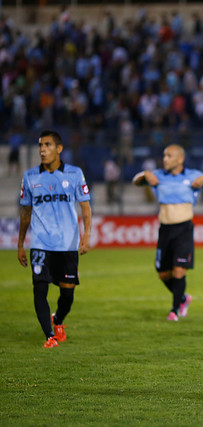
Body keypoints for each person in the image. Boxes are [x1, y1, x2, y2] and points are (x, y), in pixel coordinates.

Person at [132, 144, 203, 321]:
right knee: (163, 274)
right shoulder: (158, 175)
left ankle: (174, 311)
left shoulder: (192, 176)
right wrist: (144, 175)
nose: (165, 159)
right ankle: (183, 298)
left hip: (183, 229)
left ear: (180, 159)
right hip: (165, 230)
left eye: (169, 155)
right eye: (164, 155)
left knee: (179, 270)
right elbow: (135, 180)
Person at [17, 130, 92, 348]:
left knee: (67, 294)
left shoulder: (75, 174)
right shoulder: (30, 176)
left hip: (67, 244)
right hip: (40, 243)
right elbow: (25, 214)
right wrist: (21, 244)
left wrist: (86, 235)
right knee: (39, 288)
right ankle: (49, 336)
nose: (42, 149)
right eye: (40, 145)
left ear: (59, 149)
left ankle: (57, 320)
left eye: (47, 145)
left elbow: (85, 207)